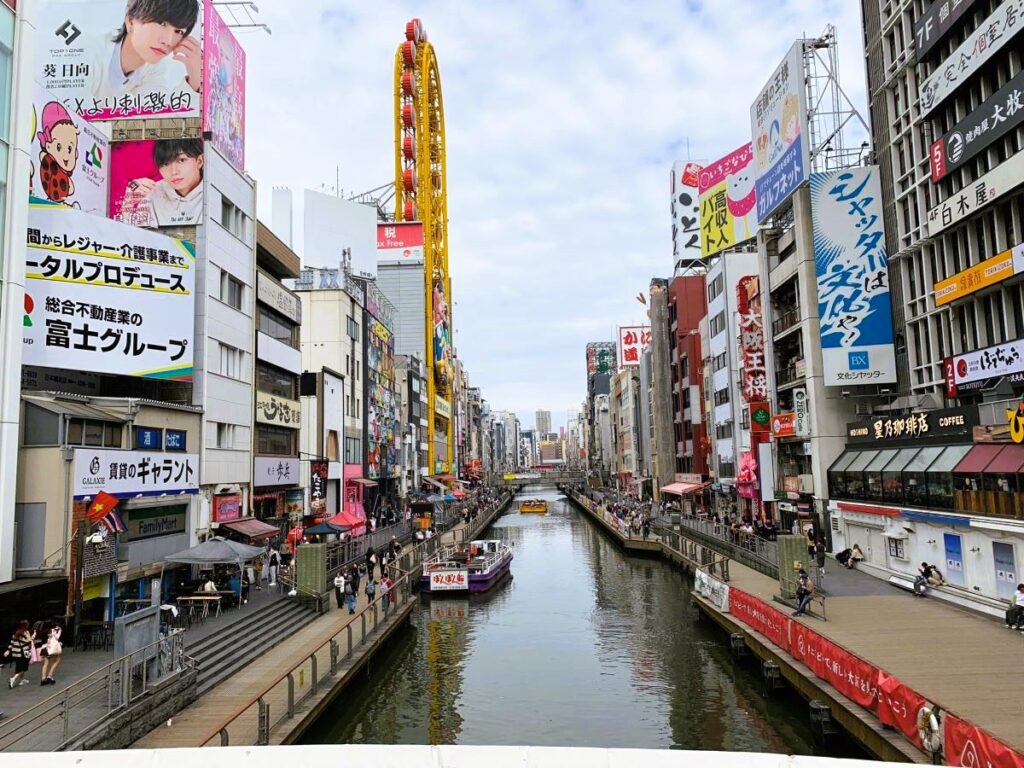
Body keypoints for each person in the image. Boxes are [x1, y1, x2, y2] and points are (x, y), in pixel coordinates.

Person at [79, 0, 202, 113]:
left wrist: (195, 81)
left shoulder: (153, 69)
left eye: (179, 31)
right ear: (131, 21)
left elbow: (163, 121)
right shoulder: (86, 53)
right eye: (162, 23)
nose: (168, 41)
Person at [117, 139, 204, 227]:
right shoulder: (153, 194)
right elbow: (137, 238)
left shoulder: (214, 193)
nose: (174, 171)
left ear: (199, 161)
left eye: (181, 160)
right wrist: (127, 207)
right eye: (166, 164)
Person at [5, 620, 34, 689]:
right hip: (23, 653)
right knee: (23, 668)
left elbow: (11, 643)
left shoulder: (15, 633)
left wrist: (8, 651)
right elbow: (29, 641)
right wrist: (34, 635)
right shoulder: (25, 633)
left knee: (20, 667)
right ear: (25, 626)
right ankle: (13, 679)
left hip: (16, 654)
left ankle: (21, 680)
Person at [39, 622, 63, 686]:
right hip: (51, 649)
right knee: (57, 660)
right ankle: (49, 675)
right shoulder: (53, 631)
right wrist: (59, 630)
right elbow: (57, 638)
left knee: (45, 664)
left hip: (44, 648)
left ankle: (43, 679)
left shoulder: (43, 631)